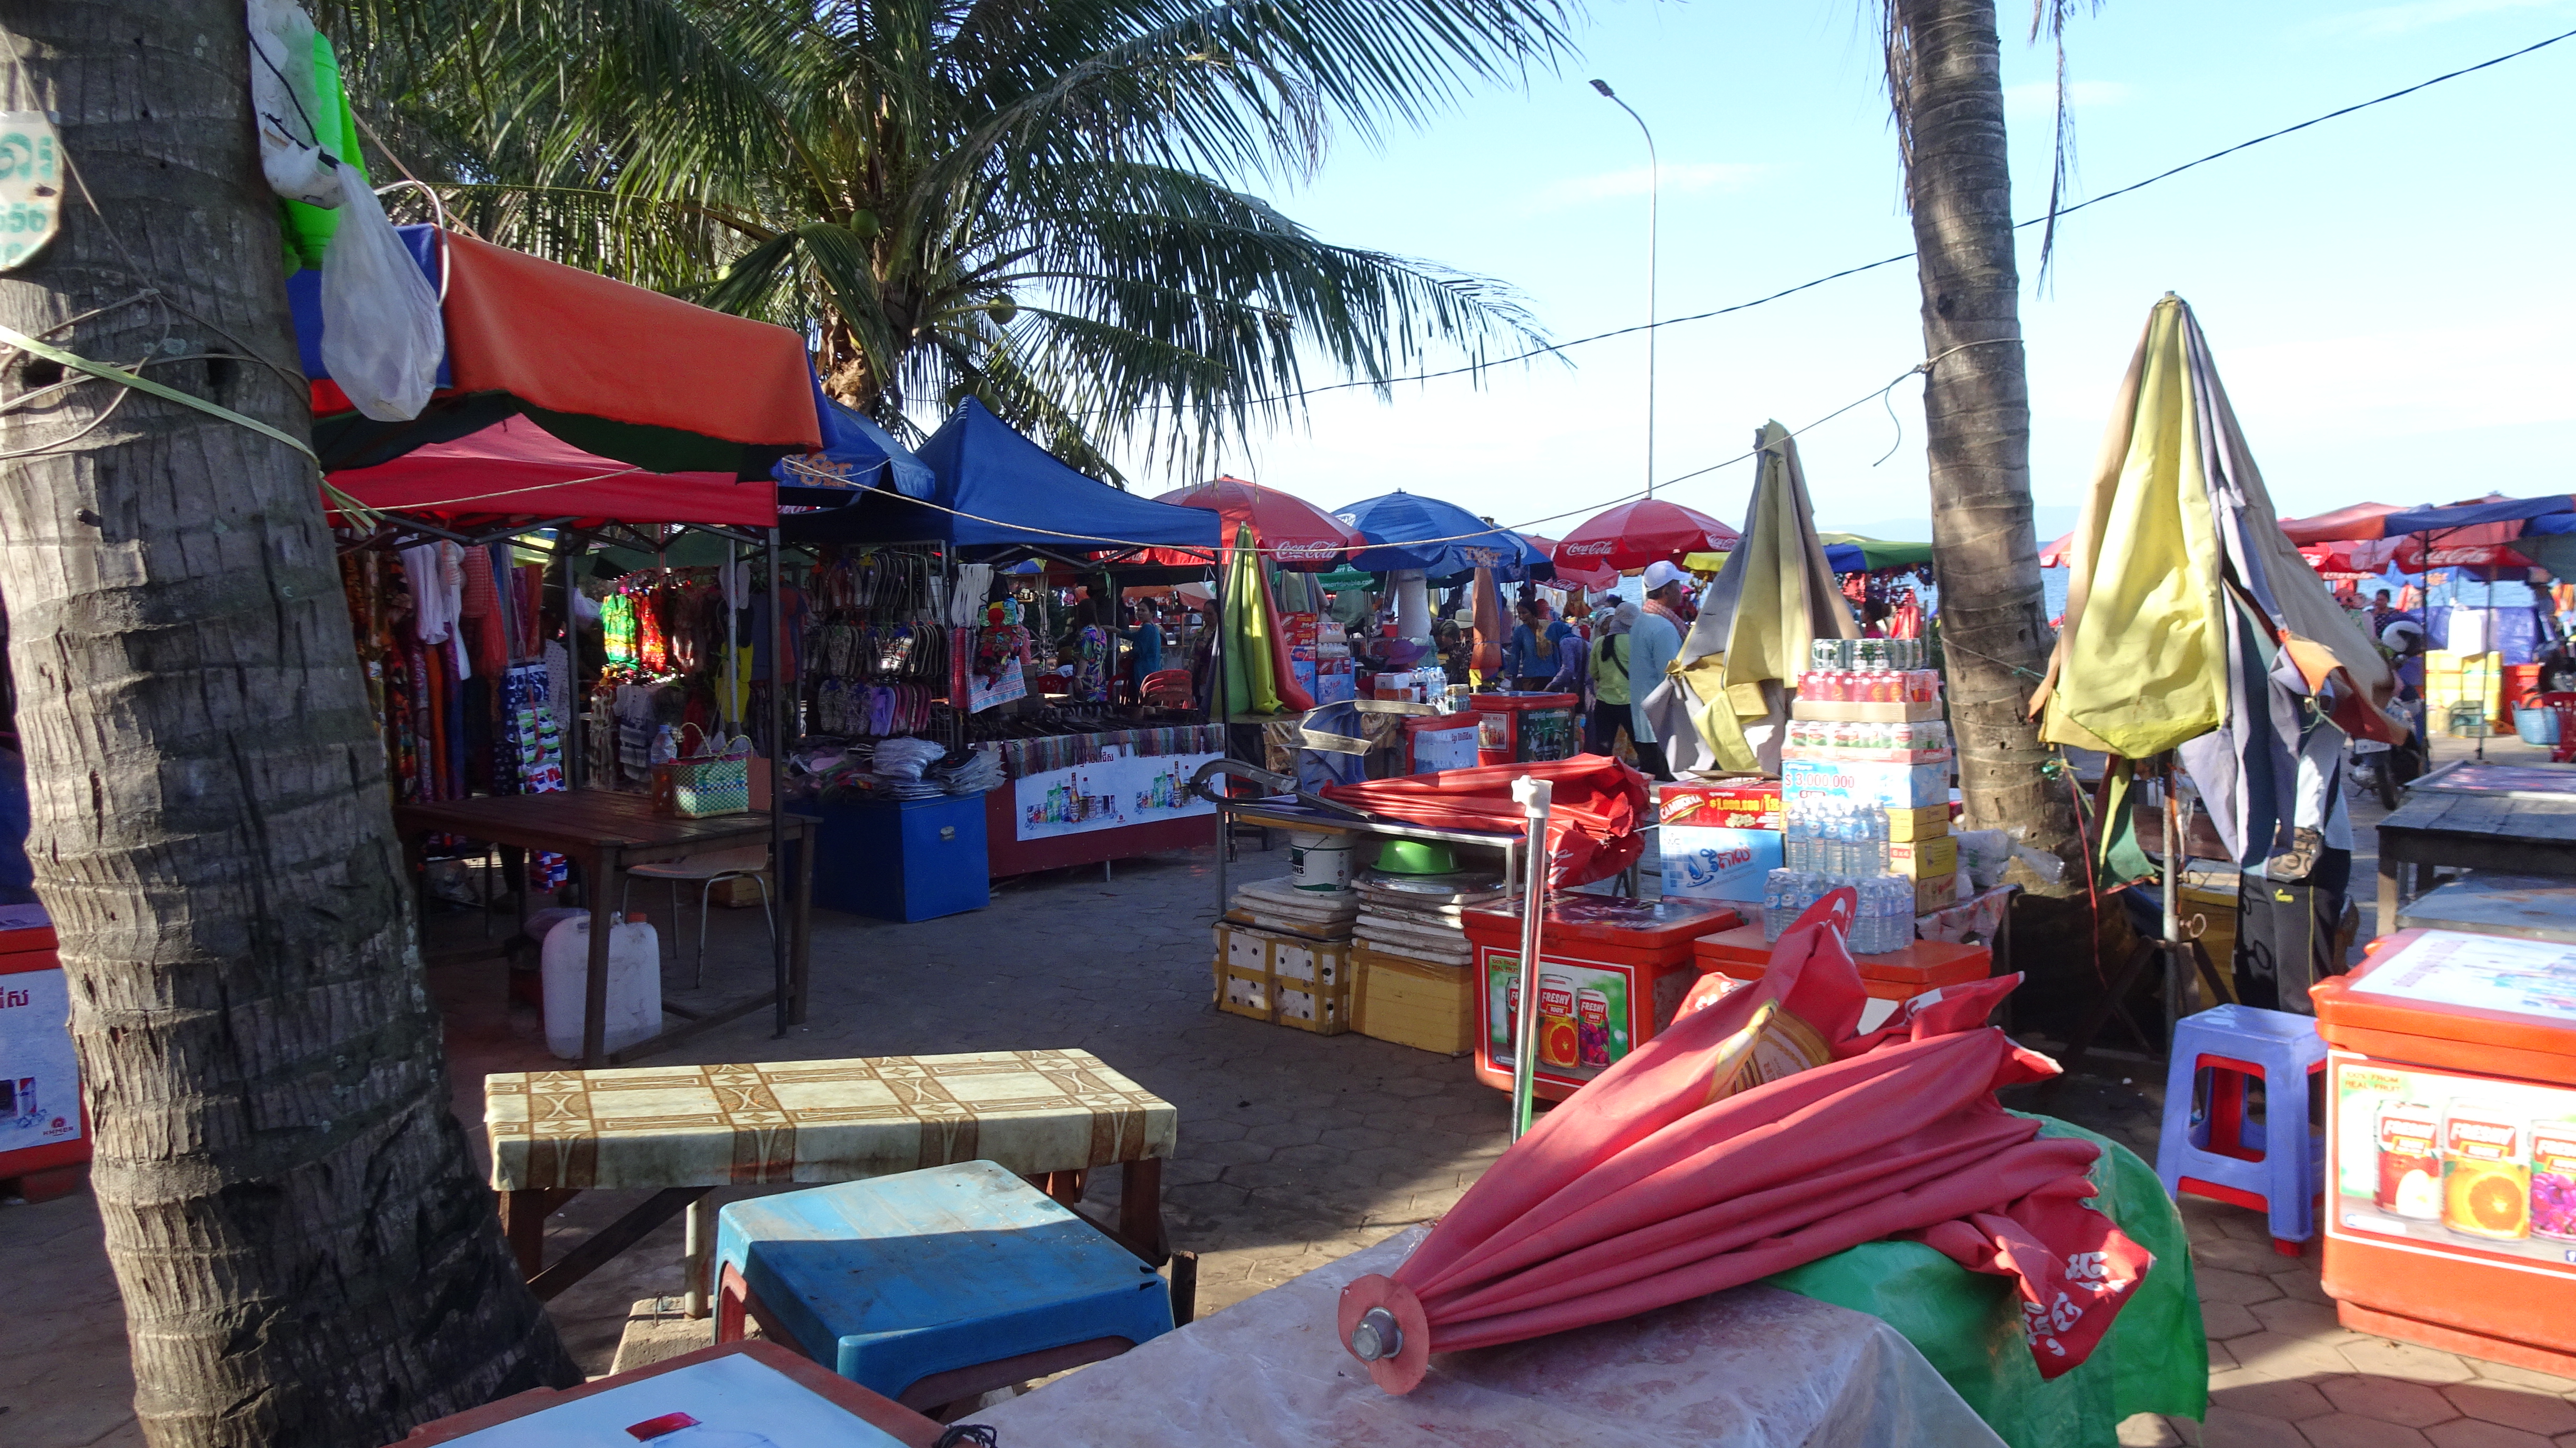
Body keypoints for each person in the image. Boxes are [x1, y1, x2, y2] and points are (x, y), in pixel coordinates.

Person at [1626, 563, 1690, 778]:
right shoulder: (1663, 627)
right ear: (1666, 591)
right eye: (1677, 585)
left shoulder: (1642, 621)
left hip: (1644, 717)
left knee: (1652, 779)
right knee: (1667, 781)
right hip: (1660, 721)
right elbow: (1671, 675)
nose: (1681, 591)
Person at [1587, 603, 1638, 758]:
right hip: (1630, 703)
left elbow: (1593, 672)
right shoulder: (1635, 641)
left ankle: (1605, 774)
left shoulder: (1599, 642)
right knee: (1642, 748)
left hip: (1604, 703)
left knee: (1603, 750)